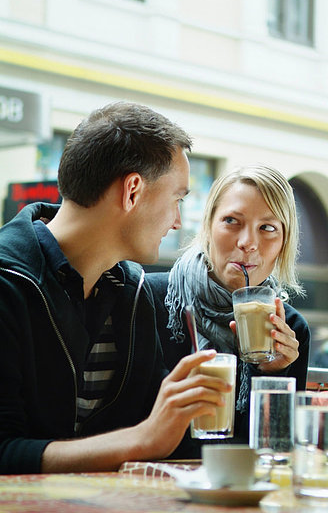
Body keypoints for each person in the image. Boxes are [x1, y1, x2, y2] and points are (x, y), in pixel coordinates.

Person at [0, 102, 231, 474]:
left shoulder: (135, 294)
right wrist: (144, 438)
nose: (177, 221)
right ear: (133, 191)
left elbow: (172, 442)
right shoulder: (8, 284)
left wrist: (270, 366)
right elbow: (4, 451)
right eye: (178, 199)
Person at [147, 164, 311, 444]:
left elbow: (275, 448)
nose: (248, 242)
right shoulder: (151, 298)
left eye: (268, 228)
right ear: (208, 226)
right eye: (232, 221)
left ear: (284, 243)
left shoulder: (289, 329)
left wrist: (274, 374)